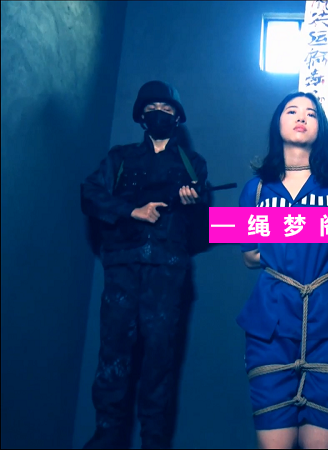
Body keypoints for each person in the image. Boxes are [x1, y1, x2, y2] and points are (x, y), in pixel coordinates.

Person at [80, 80, 209, 449]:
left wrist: (192, 204)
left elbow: (201, 228)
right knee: (112, 356)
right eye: (153, 109)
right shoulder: (120, 158)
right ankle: (106, 438)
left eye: (168, 110)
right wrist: (132, 211)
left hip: (167, 272)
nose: (160, 114)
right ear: (141, 117)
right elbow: (90, 193)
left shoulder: (192, 163)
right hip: (122, 269)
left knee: (159, 360)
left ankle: (154, 442)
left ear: (177, 118)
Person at [237, 92, 328, 449]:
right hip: (271, 320)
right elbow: (249, 256)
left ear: (320, 128)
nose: (301, 117)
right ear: (277, 123)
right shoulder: (256, 189)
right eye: (292, 111)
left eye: (311, 113)